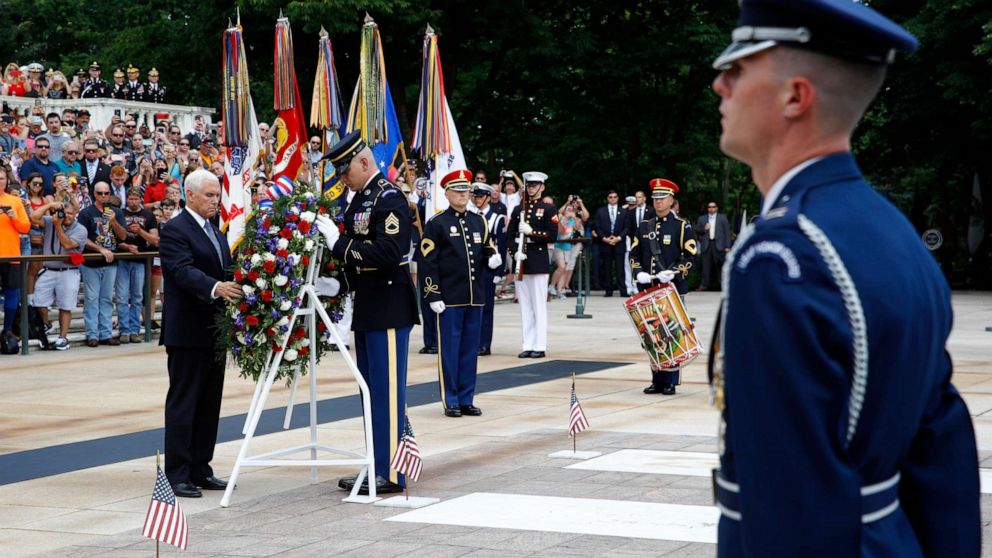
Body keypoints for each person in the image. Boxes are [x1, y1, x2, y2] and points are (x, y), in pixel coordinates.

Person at [708, 1, 980, 555]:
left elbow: (791, 505)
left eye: (738, 69)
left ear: (795, 97)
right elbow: (942, 453)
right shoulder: (892, 233)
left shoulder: (779, 256)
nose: (719, 84)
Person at [315, 130, 419, 495]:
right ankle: (378, 463)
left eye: (346, 172)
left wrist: (338, 244)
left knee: (387, 391)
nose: (343, 179)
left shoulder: (388, 197)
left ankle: (392, 472)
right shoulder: (361, 199)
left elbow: (390, 251)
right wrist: (340, 284)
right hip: (369, 306)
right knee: (370, 391)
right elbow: (359, 255)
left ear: (363, 161)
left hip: (389, 307)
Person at [159, 169, 240, 498]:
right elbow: (181, 270)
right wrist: (215, 287)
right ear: (189, 194)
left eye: (217, 195)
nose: (215, 200)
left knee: (209, 403)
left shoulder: (215, 231)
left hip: (214, 330)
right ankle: (177, 473)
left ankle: (200, 467)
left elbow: (226, 267)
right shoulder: (175, 230)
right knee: (185, 402)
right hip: (188, 331)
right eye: (209, 195)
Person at [420, 170, 501, 417]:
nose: (464, 195)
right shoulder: (437, 223)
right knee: (450, 351)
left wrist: (493, 257)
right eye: (458, 191)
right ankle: (451, 399)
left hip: (474, 297)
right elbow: (428, 262)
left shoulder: (479, 221)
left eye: (466, 190)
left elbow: (486, 247)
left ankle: (467, 397)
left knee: (469, 350)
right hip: (449, 299)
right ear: (447, 194)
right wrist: (433, 294)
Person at [630, 179, 695, 395]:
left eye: (662, 198)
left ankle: (670, 379)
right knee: (651, 333)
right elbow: (635, 253)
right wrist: (638, 271)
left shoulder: (681, 225)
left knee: (672, 332)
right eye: (655, 199)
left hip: (671, 287)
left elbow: (691, 255)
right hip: (649, 286)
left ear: (671, 200)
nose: (658, 203)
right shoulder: (644, 226)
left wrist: (674, 271)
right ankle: (656, 377)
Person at [506, 171, 558, 358]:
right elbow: (509, 236)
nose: (531, 188)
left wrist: (531, 232)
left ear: (542, 187)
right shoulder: (518, 209)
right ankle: (527, 343)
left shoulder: (548, 209)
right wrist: (515, 252)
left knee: (538, 305)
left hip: (537, 261)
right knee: (525, 305)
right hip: (521, 262)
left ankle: (540, 345)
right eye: (529, 185)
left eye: (534, 185)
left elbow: (552, 235)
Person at [29, 201, 87, 350]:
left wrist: (57, 227)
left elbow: (67, 245)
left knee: (65, 306)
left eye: (70, 213)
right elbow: (33, 217)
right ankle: (47, 324)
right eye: (64, 212)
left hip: (68, 271)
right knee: (38, 302)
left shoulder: (80, 229)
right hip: (49, 270)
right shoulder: (52, 220)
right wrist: (50, 205)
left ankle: (63, 338)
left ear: (75, 214)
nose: (66, 216)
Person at [77, 181, 128, 347]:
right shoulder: (86, 213)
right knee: (92, 298)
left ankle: (105, 333)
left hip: (111, 261)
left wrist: (113, 222)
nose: (104, 196)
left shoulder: (117, 212)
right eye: (100, 193)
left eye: (106, 193)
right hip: (92, 261)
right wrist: (100, 249)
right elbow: (82, 238)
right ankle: (92, 334)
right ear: (94, 194)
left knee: (106, 298)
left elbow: (123, 236)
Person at [116, 188, 158, 343]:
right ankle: (124, 329)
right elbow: (114, 238)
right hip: (123, 258)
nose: (133, 202)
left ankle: (134, 330)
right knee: (121, 296)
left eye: (136, 199)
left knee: (137, 296)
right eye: (130, 199)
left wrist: (140, 231)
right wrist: (125, 246)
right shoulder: (120, 213)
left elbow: (155, 240)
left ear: (141, 199)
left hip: (141, 260)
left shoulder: (148, 215)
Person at [473, 182, 506, 356]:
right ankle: (473, 341)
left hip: (488, 267)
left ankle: (484, 343)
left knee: (486, 307)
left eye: (480, 196)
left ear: (487, 197)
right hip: (473, 267)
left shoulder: (496, 218)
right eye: (475, 196)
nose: (477, 200)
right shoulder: (470, 216)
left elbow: (501, 245)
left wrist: (499, 272)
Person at [0, 166, 30, 349]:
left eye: (2, 178)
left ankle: (8, 330)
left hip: (11, 254)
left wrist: (13, 217)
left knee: (12, 294)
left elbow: (25, 228)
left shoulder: (15, 201)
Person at [593, 190, 630, 297]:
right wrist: (604, 238)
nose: (613, 199)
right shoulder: (601, 211)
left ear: (618, 198)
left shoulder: (623, 211)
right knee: (607, 267)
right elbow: (597, 226)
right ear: (607, 198)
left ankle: (623, 290)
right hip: (605, 242)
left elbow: (627, 227)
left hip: (619, 242)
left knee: (620, 268)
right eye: (610, 197)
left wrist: (618, 238)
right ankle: (608, 291)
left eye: (614, 197)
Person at [695, 200, 731, 291]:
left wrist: (727, 246)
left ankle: (723, 286)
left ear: (716, 208)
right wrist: (704, 229)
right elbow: (697, 230)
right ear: (708, 209)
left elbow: (727, 232)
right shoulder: (702, 219)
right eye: (709, 207)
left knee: (720, 267)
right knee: (705, 266)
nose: (711, 208)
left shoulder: (722, 218)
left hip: (719, 245)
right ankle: (704, 285)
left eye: (713, 207)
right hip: (707, 244)